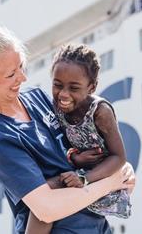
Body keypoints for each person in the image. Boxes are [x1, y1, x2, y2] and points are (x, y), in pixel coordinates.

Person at [0, 19, 136, 234]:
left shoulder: (37, 97)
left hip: (96, 225)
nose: (23, 77)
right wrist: (111, 182)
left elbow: (83, 143)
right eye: (11, 74)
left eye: (21, 66)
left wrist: (120, 166)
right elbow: (46, 209)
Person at [25, 44, 132, 234]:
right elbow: (63, 142)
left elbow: (119, 157)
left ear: (92, 87)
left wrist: (84, 178)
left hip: (102, 177)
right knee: (42, 196)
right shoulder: (57, 107)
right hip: (78, 171)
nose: (64, 94)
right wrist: (74, 157)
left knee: (49, 190)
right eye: (57, 85)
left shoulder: (100, 112)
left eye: (74, 88)